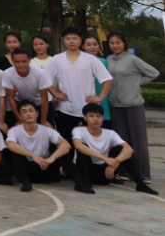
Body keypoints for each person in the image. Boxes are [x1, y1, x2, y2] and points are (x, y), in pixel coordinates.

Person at [105, 31, 159, 182]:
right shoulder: (109, 59)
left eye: (118, 42)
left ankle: (143, 174)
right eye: (112, 43)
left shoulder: (132, 59)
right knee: (122, 140)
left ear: (124, 43)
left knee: (138, 140)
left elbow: (153, 73)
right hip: (115, 105)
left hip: (133, 104)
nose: (115, 45)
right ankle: (126, 171)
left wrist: (136, 84)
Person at [71, 102, 157, 195]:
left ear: (102, 119)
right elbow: (78, 145)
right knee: (83, 148)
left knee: (120, 149)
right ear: (85, 118)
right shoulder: (78, 130)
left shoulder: (110, 133)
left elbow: (129, 149)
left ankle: (140, 184)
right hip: (86, 172)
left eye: (98, 116)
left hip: (106, 174)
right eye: (91, 116)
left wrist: (114, 163)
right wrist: (105, 159)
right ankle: (85, 184)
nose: (95, 119)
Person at [48, 27, 112, 146]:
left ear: (80, 40)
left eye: (75, 38)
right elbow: (45, 80)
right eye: (68, 38)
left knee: (91, 143)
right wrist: (55, 94)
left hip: (89, 108)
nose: (71, 41)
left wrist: (100, 97)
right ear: (63, 40)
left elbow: (108, 79)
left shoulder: (91, 59)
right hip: (66, 108)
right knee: (67, 143)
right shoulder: (56, 59)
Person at [6, 100, 73, 192]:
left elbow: (66, 145)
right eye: (24, 112)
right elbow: (10, 144)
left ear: (37, 113)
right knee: (16, 154)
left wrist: (52, 158)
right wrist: (33, 155)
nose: (28, 114)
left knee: (60, 151)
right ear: (20, 116)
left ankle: (79, 182)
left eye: (31, 111)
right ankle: (25, 182)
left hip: (45, 167)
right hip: (27, 170)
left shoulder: (47, 130)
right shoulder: (14, 130)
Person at [2, 47, 52, 129]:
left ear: (29, 60)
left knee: (46, 130)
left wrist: (43, 121)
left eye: (24, 61)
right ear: (12, 61)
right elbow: (10, 98)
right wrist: (19, 119)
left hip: (41, 103)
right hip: (22, 104)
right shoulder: (7, 73)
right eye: (17, 62)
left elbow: (44, 98)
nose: (21, 64)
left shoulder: (39, 73)